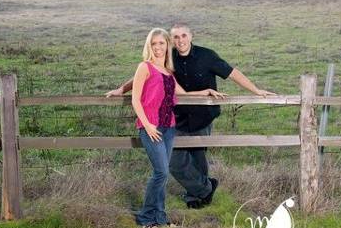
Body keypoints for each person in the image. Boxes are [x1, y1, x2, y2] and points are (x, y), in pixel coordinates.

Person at [107, 23, 275, 209]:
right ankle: (205, 189)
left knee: (198, 157)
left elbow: (232, 74)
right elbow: (146, 71)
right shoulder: (168, 57)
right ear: (172, 40)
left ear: (191, 36)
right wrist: (121, 90)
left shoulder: (207, 56)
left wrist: (256, 90)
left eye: (184, 36)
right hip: (176, 117)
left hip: (203, 116)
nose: (180, 41)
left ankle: (195, 197)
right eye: (176, 37)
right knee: (174, 161)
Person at [131, 27, 226, 228]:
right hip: (151, 127)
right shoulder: (144, 67)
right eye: (154, 43)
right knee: (161, 172)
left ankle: (160, 217)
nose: (157, 47)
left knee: (162, 174)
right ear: (149, 46)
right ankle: (146, 217)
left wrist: (207, 91)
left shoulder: (167, 71)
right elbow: (135, 99)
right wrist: (147, 125)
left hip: (168, 127)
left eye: (161, 43)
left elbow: (182, 93)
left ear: (167, 45)